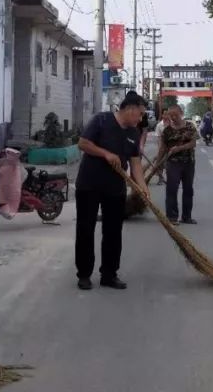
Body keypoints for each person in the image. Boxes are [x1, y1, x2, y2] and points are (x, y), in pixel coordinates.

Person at [75, 91, 147, 291]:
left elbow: (136, 164)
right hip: (89, 185)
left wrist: (142, 187)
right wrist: (105, 153)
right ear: (130, 109)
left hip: (115, 188)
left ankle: (109, 274)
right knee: (85, 230)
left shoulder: (134, 133)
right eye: (140, 114)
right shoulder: (101, 120)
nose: (141, 118)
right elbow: (83, 144)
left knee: (113, 232)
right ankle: (84, 274)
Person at [160, 105, 199, 224]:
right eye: (170, 115)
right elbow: (162, 149)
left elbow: (193, 144)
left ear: (181, 113)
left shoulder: (190, 127)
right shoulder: (167, 131)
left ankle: (186, 217)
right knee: (172, 189)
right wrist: (158, 166)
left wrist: (179, 148)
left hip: (188, 163)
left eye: (175, 115)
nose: (173, 117)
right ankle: (171, 217)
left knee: (188, 189)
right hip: (173, 164)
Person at [153, 116, 168, 185]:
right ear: (162, 115)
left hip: (171, 147)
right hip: (162, 146)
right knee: (160, 163)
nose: (166, 116)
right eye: (165, 114)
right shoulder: (159, 125)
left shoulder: (171, 123)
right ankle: (160, 179)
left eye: (167, 114)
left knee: (170, 164)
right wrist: (160, 148)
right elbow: (158, 138)